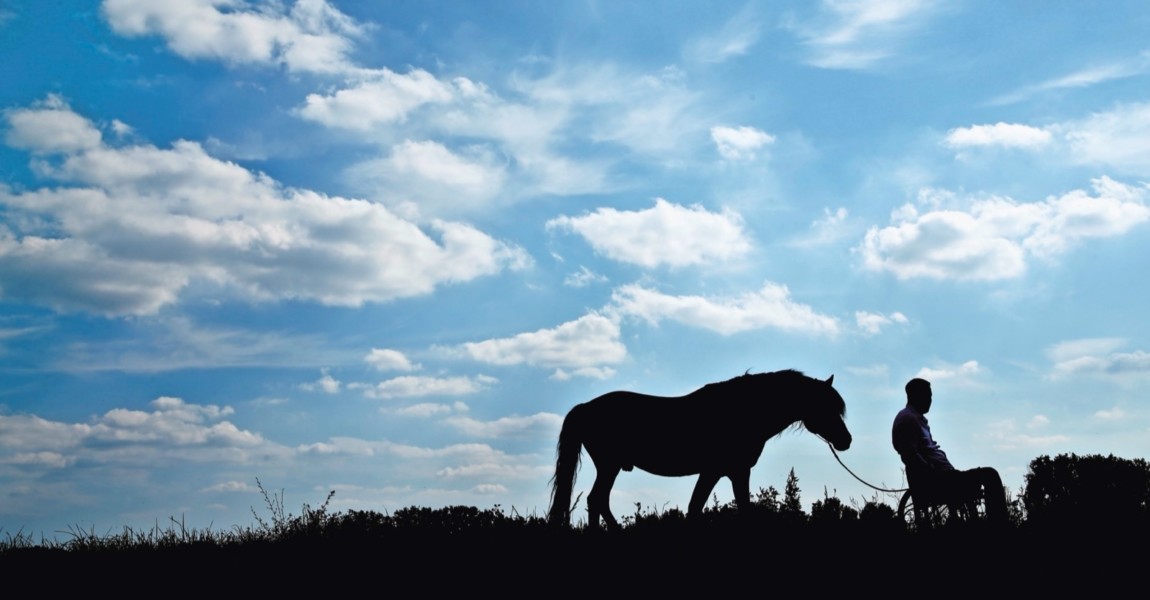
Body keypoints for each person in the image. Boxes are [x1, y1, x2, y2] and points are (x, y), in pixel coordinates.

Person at [892, 377, 1008, 523]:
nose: (930, 400)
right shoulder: (907, 419)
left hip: (943, 477)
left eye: (931, 396)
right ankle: (1000, 526)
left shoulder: (915, 418)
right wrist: (932, 471)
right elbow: (910, 455)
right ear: (916, 396)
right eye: (927, 395)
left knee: (988, 475)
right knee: (990, 475)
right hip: (938, 481)